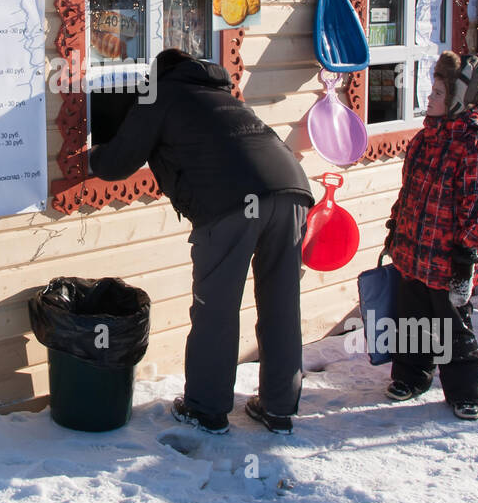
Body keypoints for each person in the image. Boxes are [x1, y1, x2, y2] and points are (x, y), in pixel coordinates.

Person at [89, 48, 315, 435]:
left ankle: (206, 409)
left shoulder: (160, 94)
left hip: (232, 203)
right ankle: (279, 409)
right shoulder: (219, 94)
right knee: (281, 302)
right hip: (292, 190)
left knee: (217, 308)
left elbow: (117, 163)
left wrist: (91, 155)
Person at [382, 51, 478, 420]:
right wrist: (395, 227)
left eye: (437, 92)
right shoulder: (423, 141)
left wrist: (466, 258)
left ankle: (465, 390)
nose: (429, 98)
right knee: (411, 318)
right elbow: (408, 193)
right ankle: (413, 375)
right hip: (414, 253)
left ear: (457, 100)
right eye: (430, 90)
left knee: (452, 327)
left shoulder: (476, 149)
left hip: (450, 261)